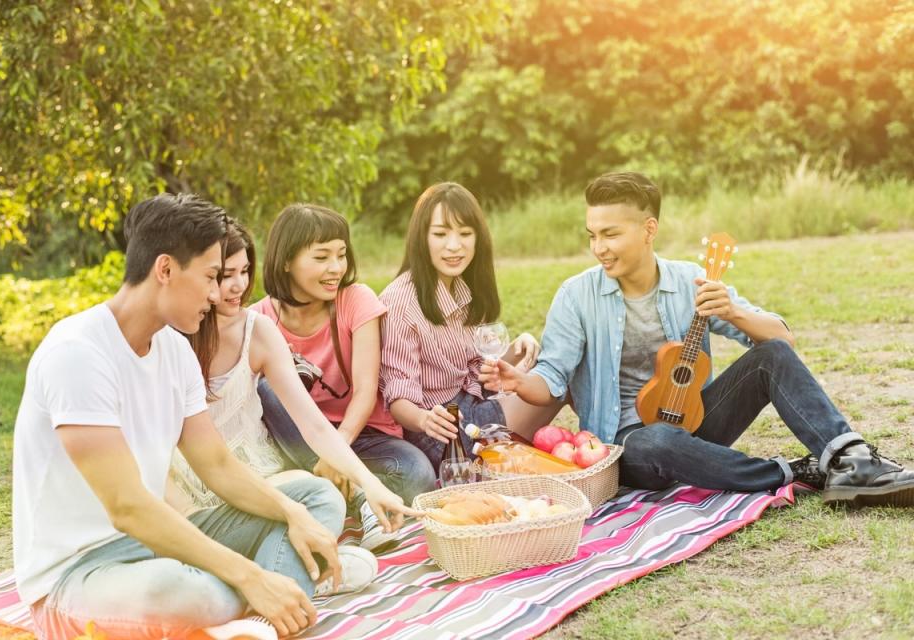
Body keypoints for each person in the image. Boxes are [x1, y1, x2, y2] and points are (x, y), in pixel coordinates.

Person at [11, 194, 402, 640]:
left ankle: (262, 612)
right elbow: (128, 508)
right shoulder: (78, 354)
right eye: (212, 276)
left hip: (162, 540)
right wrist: (252, 577)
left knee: (315, 500)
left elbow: (216, 465)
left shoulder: (173, 349)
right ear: (165, 270)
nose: (219, 294)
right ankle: (287, 585)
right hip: (80, 572)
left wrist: (291, 512)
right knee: (189, 594)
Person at [482, 171, 914, 506]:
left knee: (771, 356)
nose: (599, 247)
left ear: (649, 229)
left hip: (696, 422)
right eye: (593, 235)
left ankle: (850, 460)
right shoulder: (576, 295)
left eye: (611, 234)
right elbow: (552, 377)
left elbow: (783, 340)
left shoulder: (690, 279)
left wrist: (733, 311)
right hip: (627, 445)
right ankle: (791, 472)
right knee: (658, 441)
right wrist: (519, 382)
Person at [251, 204, 436, 509]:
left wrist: (336, 453)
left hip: (364, 435)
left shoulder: (356, 300)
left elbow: (365, 390)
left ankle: (335, 491)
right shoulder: (259, 319)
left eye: (341, 254)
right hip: (300, 440)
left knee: (417, 476)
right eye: (322, 257)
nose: (336, 267)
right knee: (268, 388)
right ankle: (351, 494)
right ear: (286, 261)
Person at [379, 182, 563, 472]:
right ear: (421, 238)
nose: (455, 246)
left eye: (465, 233)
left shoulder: (462, 288)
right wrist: (425, 420)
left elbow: (477, 370)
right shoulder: (400, 302)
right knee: (561, 382)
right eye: (441, 234)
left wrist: (516, 350)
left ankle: (532, 457)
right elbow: (398, 397)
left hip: (472, 403)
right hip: (441, 430)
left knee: (552, 367)